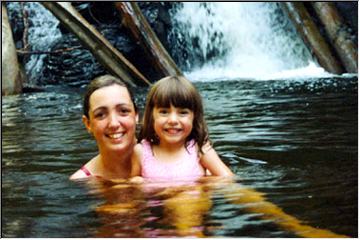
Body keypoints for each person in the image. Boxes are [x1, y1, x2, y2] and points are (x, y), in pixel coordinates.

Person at [130, 75, 234, 180]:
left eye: (183, 113)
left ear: (194, 117)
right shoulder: (141, 152)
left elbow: (227, 179)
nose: (173, 120)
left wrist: (205, 183)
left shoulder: (200, 149)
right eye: (164, 112)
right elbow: (132, 189)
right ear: (152, 116)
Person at [70, 74, 138, 180]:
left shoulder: (169, 160)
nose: (114, 124)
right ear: (88, 124)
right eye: (100, 115)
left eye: (124, 111)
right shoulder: (82, 181)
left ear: (136, 116)